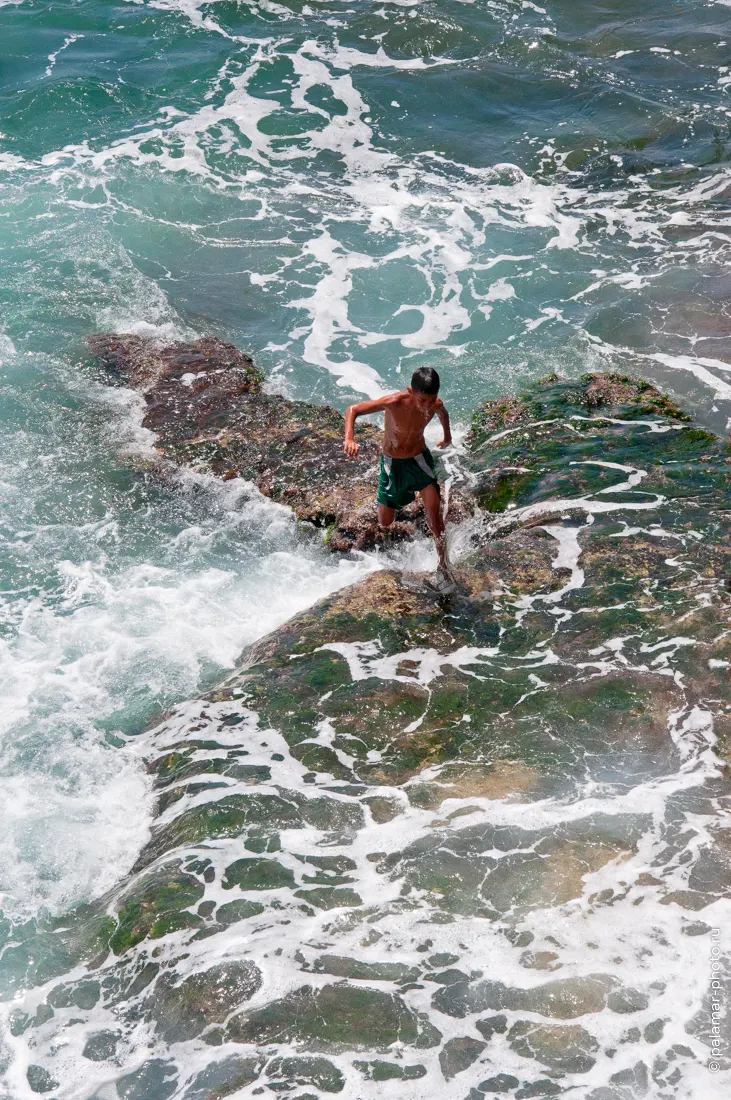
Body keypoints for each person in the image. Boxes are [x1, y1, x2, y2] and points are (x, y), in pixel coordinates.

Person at [343, 366, 455, 594]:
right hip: (392, 463)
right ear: (410, 391)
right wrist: (349, 438)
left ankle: (443, 565)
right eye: (422, 400)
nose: (427, 406)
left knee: (435, 513)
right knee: (385, 521)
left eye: (431, 400)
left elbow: (444, 415)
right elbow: (353, 409)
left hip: (419, 460)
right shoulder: (394, 402)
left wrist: (447, 437)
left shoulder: (436, 404)